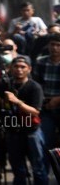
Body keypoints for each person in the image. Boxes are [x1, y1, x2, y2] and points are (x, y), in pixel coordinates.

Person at [4, 56, 48, 184]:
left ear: (29, 69)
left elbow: (35, 111)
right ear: (11, 68)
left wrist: (17, 102)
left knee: (38, 168)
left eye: (23, 67)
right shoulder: (7, 84)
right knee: (18, 170)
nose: (19, 70)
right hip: (13, 131)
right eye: (16, 67)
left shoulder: (35, 87)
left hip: (31, 133)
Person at [33, 33, 60, 166]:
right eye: (52, 45)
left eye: (58, 45)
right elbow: (36, 85)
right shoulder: (41, 62)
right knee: (45, 142)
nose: (55, 48)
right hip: (46, 107)